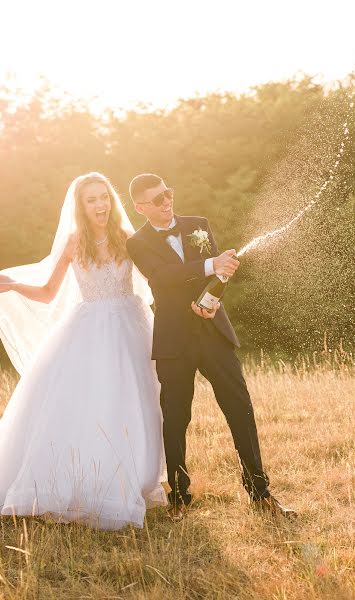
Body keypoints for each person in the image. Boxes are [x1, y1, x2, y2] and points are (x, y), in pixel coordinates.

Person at [0, 172, 166, 530]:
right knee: (87, 402)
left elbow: (159, 278)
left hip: (130, 327)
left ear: (112, 199)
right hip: (89, 330)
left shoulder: (128, 238)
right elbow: (47, 292)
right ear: (81, 206)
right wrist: (12, 285)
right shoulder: (75, 243)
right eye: (91, 199)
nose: (100, 204)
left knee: (135, 402)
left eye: (103, 196)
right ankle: (83, 481)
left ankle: (133, 477)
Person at [126, 173, 297, 521]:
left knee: (240, 410)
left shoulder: (198, 225)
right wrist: (209, 265)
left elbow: (222, 274)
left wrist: (214, 299)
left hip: (213, 332)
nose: (166, 201)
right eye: (156, 199)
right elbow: (160, 279)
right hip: (174, 339)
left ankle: (260, 493)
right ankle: (179, 499)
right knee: (176, 418)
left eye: (167, 192)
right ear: (140, 207)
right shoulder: (137, 242)